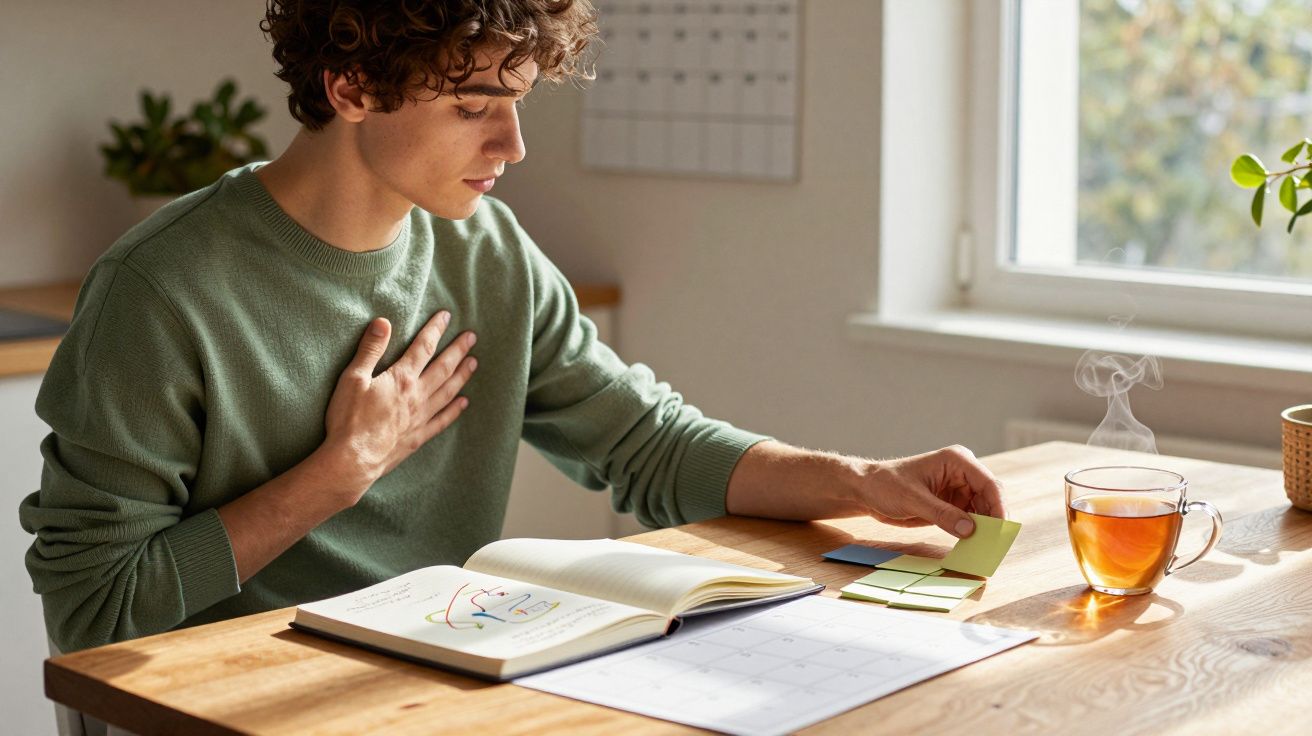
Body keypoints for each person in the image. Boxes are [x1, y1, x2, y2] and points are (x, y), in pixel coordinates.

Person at [20, 0, 1005, 655]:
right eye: (471, 107)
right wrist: (338, 473)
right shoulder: (164, 289)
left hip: (424, 684)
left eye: (519, 105)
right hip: (229, 705)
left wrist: (861, 481)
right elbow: (94, 605)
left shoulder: (487, 250)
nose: (514, 145)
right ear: (351, 89)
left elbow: (645, 442)